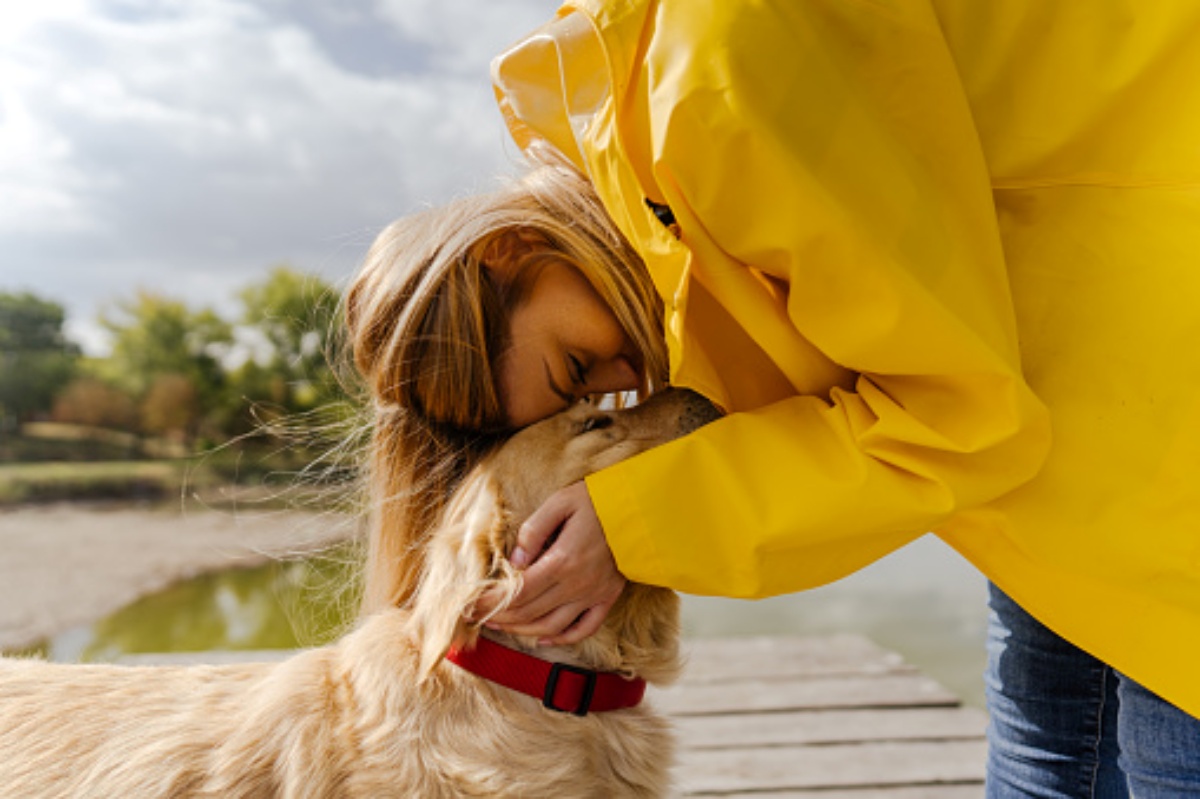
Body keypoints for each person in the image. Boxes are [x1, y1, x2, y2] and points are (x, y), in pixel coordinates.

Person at [344, 2, 1200, 796]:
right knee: (1050, 736)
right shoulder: (647, 130)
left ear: (514, 248)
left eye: (575, 371)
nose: (619, 378)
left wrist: (643, 520)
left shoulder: (715, 98)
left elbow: (959, 413)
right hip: (1088, 396)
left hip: (1154, 378)